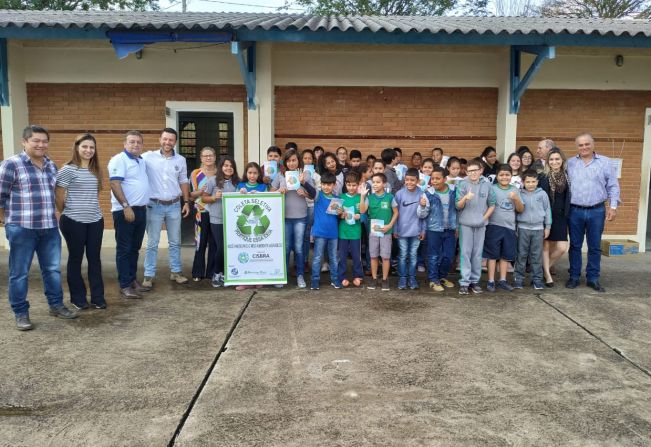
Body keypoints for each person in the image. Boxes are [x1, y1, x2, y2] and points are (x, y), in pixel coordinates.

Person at [0, 125, 78, 330]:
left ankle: (56, 305)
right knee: (19, 273)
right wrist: (7, 222)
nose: (41, 144)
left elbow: (53, 195)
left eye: (44, 141)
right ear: (24, 142)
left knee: (52, 270)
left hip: (49, 228)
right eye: (36, 140)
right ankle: (20, 312)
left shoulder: (51, 165)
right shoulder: (11, 165)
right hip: (22, 228)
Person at [55, 133, 106, 310]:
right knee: (76, 259)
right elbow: (59, 195)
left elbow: (93, 195)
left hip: (95, 221)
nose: (88, 150)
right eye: (84, 146)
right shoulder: (67, 169)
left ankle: (98, 297)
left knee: (95, 260)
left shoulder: (96, 169)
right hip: (73, 221)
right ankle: (78, 298)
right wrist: (66, 212)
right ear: (77, 147)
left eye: (92, 147)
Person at [566, 133, 620, 292]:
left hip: (597, 210)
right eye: (580, 145)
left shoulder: (605, 162)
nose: (584, 147)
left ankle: (593, 278)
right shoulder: (570, 163)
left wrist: (613, 207)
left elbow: (613, 186)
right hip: (575, 210)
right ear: (577, 147)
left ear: (593, 144)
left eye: (587, 144)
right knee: (575, 245)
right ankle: (574, 276)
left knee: (595, 246)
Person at [141, 128, 191, 289]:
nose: (167, 142)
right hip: (154, 205)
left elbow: (183, 181)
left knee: (175, 241)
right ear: (160, 139)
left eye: (171, 140)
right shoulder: (148, 157)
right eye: (165, 139)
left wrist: (186, 202)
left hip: (174, 204)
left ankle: (176, 272)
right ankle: (148, 275)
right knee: (152, 242)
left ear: (175, 142)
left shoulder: (181, 160)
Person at [108, 130, 150, 298]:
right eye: (132, 142)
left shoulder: (140, 160)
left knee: (134, 249)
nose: (135, 145)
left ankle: (132, 280)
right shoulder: (119, 159)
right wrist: (126, 206)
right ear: (125, 144)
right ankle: (125, 284)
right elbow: (115, 183)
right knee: (124, 249)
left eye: (139, 142)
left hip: (140, 210)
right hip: (125, 211)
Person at [272, 149, 316, 289]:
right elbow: (270, 192)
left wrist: (304, 188)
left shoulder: (305, 174)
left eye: (294, 160)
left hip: (300, 217)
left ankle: (300, 275)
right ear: (285, 162)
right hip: (284, 217)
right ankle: (282, 275)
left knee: (299, 248)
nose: (291, 163)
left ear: (299, 161)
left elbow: (313, 195)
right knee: (285, 248)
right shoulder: (280, 175)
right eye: (289, 160)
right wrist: (279, 191)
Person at [455, 158, 496, 295]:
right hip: (465, 223)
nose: (472, 173)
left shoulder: (487, 184)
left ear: (481, 171)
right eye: (470, 171)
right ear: (466, 171)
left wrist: (483, 218)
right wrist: (465, 198)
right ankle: (465, 282)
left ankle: (475, 281)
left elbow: (492, 204)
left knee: (477, 254)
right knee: (465, 253)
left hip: (481, 224)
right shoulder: (462, 184)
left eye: (475, 170)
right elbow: (457, 205)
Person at [484, 165, 524, 292]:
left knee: (505, 255)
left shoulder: (515, 190)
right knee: (492, 255)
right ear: (497, 176)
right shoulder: (492, 188)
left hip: (509, 227)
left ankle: (502, 280)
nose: (504, 177)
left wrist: (516, 198)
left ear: (511, 176)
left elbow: (520, 209)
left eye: (507, 175)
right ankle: (490, 281)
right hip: (493, 226)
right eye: (501, 175)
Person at [203, 155, 240, 288]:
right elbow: (204, 198)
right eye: (226, 165)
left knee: (231, 248)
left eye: (231, 166)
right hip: (217, 220)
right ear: (221, 167)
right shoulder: (213, 180)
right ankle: (217, 273)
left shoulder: (237, 182)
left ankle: (227, 272)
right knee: (221, 247)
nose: (228, 168)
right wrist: (213, 197)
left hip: (233, 221)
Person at [513, 170, 552, 290]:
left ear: (537, 182)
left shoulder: (542, 194)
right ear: (523, 182)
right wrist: (515, 227)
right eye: (528, 182)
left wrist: (548, 226)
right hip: (523, 228)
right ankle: (518, 279)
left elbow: (547, 210)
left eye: (533, 182)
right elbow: (515, 211)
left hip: (538, 228)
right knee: (521, 255)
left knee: (536, 256)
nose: (531, 184)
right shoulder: (519, 194)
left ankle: (537, 280)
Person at [420, 167, 457, 292]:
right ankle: (433, 279)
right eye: (432, 178)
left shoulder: (453, 191)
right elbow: (422, 215)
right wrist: (422, 206)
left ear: (445, 179)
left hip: (450, 229)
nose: (434, 181)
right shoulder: (428, 193)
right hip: (434, 229)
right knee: (433, 256)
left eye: (438, 178)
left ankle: (441, 277)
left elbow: (459, 209)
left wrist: (457, 226)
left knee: (449, 256)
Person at [360, 172, 398, 291]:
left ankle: (385, 279)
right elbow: (362, 211)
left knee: (386, 257)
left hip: (386, 231)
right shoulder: (369, 198)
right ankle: (374, 278)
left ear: (384, 183)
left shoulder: (390, 197)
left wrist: (389, 226)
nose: (375, 185)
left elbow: (396, 212)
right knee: (373, 256)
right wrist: (362, 196)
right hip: (373, 232)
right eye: (374, 182)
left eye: (378, 182)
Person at [539, 148, 571, 287]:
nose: (554, 162)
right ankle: (547, 275)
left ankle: (542, 268)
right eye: (551, 159)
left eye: (557, 159)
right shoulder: (543, 177)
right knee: (546, 246)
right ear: (547, 162)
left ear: (562, 160)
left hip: (561, 216)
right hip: (546, 215)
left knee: (562, 247)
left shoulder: (567, 177)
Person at [394, 168, 427, 290]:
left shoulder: (422, 194)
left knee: (413, 255)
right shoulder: (399, 194)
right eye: (407, 180)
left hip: (416, 231)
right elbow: (395, 213)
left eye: (412, 180)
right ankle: (402, 278)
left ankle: (412, 278)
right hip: (402, 231)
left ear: (418, 181)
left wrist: (423, 230)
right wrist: (395, 229)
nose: (409, 182)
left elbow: (424, 214)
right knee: (402, 255)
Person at [189, 147, 218, 282]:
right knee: (200, 242)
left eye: (210, 155)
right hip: (201, 213)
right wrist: (200, 192)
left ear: (215, 157)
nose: (208, 158)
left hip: (217, 213)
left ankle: (211, 272)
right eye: (205, 156)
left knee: (214, 243)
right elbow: (190, 195)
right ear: (201, 158)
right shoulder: (196, 174)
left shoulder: (220, 173)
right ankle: (197, 272)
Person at [310, 172, 341, 290]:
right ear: (320, 184)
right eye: (324, 184)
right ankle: (314, 280)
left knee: (333, 257)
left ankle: (335, 279)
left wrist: (340, 213)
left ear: (334, 185)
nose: (326, 187)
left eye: (329, 185)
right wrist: (303, 182)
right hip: (320, 233)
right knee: (317, 257)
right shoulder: (318, 195)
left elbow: (339, 216)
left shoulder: (337, 199)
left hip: (333, 233)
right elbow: (311, 191)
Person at [337, 171, 363, 288]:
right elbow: (337, 213)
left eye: (354, 185)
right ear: (345, 185)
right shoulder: (341, 197)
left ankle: (358, 276)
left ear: (358, 185)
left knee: (356, 256)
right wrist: (341, 215)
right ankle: (342, 277)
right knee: (342, 256)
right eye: (349, 185)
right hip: (343, 231)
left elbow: (364, 213)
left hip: (356, 232)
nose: (351, 188)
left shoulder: (360, 198)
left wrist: (359, 216)